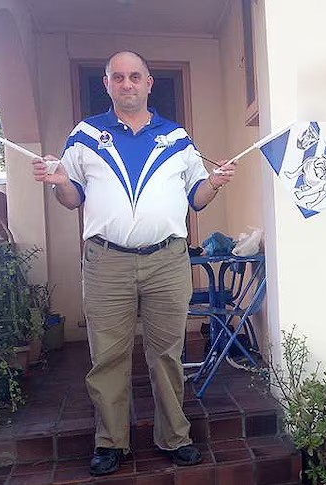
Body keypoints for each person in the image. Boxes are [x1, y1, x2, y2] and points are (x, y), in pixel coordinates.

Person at [32, 50, 235, 476]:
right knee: (107, 357)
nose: (127, 84)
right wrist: (59, 183)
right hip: (106, 262)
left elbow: (197, 197)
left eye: (135, 76)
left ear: (148, 83)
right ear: (106, 84)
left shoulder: (177, 137)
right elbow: (71, 198)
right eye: (119, 77)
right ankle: (110, 442)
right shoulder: (85, 135)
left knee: (167, 355)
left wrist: (214, 183)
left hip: (167, 261)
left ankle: (174, 437)